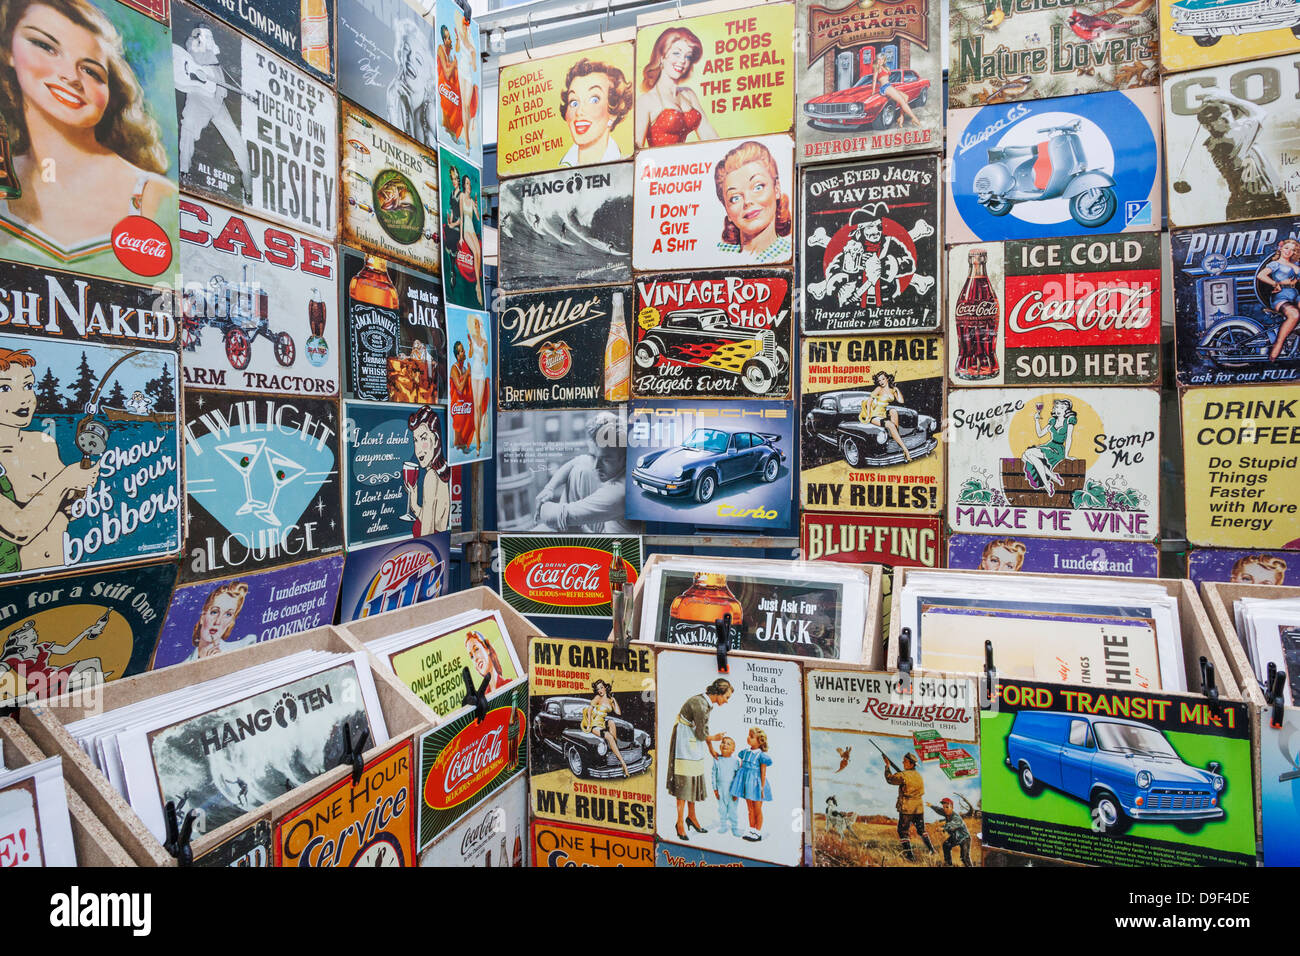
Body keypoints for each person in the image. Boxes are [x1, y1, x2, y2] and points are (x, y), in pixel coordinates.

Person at [0, 0, 176, 280]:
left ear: (111, 93)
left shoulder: (155, 196)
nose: (71, 77)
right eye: (45, 46)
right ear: (8, 49)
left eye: (92, 71)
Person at [0, 347, 99, 574]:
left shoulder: (42, 443)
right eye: (5, 387)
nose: (23, 398)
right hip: (17, 588)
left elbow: (70, 501)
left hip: (61, 571)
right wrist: (66, 480)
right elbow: (20, 528)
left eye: (28, 386)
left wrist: (75, 496)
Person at [177, 22, 251, 202]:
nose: (209, 39)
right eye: (206, 36)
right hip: (199, 98)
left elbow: (215, 69)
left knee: (238, 143)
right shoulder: (195, 43)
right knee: (188, 129)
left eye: (210, 36)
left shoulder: (213, 53)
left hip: (218, 102)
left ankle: (247, 189)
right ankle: (184, 171)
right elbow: (188, 55)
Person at [531, 410, 635, 533]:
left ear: (626, 459)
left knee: (557, 522)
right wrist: (549, 488)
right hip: (605, 528)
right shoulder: (622, 465)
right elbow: (577, 461)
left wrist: (543, 506)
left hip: (609, 548)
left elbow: (552, 517)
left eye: (606, 460)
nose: (597, 466)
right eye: (595, 456)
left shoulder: (619, 493)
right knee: (582, 467)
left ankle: (563, 532)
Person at [1195, 89, 1290, 222]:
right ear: (1210, 125)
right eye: (1222, 117)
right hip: (1263, 202)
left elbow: (1239, 116)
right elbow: (1259, 112)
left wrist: (1222, 101)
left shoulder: (1215, 141)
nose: (1227, 118)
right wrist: (1228, 99)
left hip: (1242, 203)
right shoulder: (1234, 136)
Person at [666, 677, 732, 842]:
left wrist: (711, 749)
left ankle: (692, 817)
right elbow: (702, 734)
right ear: (718, 693)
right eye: (727, 697)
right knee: (684, 782)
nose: (727, 701)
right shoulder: (701, 705)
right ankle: (680, 823)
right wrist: (715, 738)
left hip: (693, 742)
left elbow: (703, 729)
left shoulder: (706, 704)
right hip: (684, 741)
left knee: (693, 779)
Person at [635, 27, 717, 147]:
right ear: (662, 57)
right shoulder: (646, 101)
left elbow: (709, 136)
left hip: (688, 164)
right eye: (676, 53)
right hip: (660, 164)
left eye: (688, 56)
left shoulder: (688, 94)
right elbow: (637, 150)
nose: (682, 60)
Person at [713, 140, 791, 263]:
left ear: (776, 189)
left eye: (758, 187)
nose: (747, 201)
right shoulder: (715, 254)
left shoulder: (788, 253)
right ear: (726, 209)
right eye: (735, 198)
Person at [558, 58, 632, 167]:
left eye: (594, 100)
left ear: (613, 112)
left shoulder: (626, 166)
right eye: (574, 102)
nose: (579, 112)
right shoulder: (555, 171)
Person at [387, 17, 436, 145]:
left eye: (419, 60)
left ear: (428, 75)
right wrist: (391, 100)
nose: (410, 60)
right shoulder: (398, 99)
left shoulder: (430, 112)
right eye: (406, 50)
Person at [405, 404, 450, 535]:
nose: (418, 449)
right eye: (415, 440)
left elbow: (427, 535)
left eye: (423, 438)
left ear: (436, 440)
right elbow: (434, 522)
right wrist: (414, 506)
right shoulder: (440, 472)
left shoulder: (430, 477)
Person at [883, 751, 933, 862]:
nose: (902, 762)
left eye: (905, 761)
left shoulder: (903, 775)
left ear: (911, 764)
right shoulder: (919, 776)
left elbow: (890, 779)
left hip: (907, 809)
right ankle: (932, 850)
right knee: (921, 830)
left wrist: (887, 766)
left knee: (903, 832)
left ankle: (910, 857)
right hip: (919, 808)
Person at [1022, 398, 1076, 496]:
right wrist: (1037, 420)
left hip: (1058, 450)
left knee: (1027, 454)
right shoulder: (1052, 421)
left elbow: (1069, 438)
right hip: (1049, 445)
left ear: (1067, 410)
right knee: (1025, 456)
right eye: (1057, 407)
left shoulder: (1069, 421)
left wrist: (1067, 455)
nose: (1058, 409)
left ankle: (1049, 482)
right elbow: (1040, 434)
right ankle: (1052, 478)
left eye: (1062, 407)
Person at [1259, 237, 1300, 361]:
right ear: (1281, 248)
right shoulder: (1275, 264)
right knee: (1294, 314)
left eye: (1292, 250)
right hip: (1280, 296)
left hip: (1295, 294)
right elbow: (1261, 275)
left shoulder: (1296, 264)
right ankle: (1278, 344)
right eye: (1286, 248)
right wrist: (1275, 284)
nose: (1288, 251)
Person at [730, 727, 773, 842]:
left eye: (751, 737)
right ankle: (751, 829)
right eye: (748, 735)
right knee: (750, 809)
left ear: (759, 741)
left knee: (757, 808)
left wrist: (762, 788)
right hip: (746, 784)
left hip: (756, 785)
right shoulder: (745, 753)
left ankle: (757, 832)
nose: (748, 738)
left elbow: (763, 773)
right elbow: (741, 768)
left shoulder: (761, 756)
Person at [188, 582, 249, 661]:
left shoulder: (242, 648)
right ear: (202, 617)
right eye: (214, 612)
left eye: (228, 614)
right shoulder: (183, 665)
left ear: (230, 622)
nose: (218, 621)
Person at [860, 370, 912, 462]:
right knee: (891, 425)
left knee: (893, 411)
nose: (881, 382)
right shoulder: (878, 389)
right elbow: (869, 402)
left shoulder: (892, 390)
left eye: (883, 379)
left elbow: (901, 401)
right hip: (874, 416)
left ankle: (895, 440)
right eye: (879, 380)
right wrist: (868, 415)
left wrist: (897, 389)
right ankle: (905, 450)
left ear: (887, 379)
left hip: (883, 415)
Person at [585, 679, 628, 777]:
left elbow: (618, 712)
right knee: (609, 736)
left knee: (612, 722)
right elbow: (589, 710)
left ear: (605, 688)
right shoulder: (597, 698)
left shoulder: (610, 700)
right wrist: (589, 724)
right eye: (598, 689)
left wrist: (614, 699)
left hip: (603, 724)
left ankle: (614, 752)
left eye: (601, 688)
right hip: (595, 725)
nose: (600, 690)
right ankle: (623, 763)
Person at [872, 58, 919, 128]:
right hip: (884, 87)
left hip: (889, 86)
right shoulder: (877, 68)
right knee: (902, 101)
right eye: (878, 60)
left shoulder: (885, 68)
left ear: (884, 61)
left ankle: (901, 117)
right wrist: (873, 91)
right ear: (876, 61)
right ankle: (914, 118)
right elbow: (874, 80)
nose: (880, 61)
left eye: (882, 60)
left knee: (906, 97)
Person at [454, 13, 477, 152]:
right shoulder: (461, 38)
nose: (463, 27)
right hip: (461, 70)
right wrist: (457, 39)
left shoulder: (471, 41)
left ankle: (468, 138)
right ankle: (467, 141)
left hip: (468, 73)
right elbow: (457, 50)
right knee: (464, 105)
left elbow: (474, 67)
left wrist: (473, 55)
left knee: (467, 105)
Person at [467, 313, 489, 456]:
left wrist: (485, 349)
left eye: (477, 324)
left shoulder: (484, 342)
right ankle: (478, 443)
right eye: (474, 324)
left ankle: (479, 439)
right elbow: (469, 356)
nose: (475, 327)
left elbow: (486, 361)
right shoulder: (473, 339)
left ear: (480, 325)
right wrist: (470, 345)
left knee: (480, 407)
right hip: (473, 374)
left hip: (481, 374)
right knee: (475, 407)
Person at [711, 736, 742, 838]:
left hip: (732, 790)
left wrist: (737, 792)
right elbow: (713, 774)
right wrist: (715, 788)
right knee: (722, 809)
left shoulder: (735, 761)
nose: (725, 744)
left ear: (733, 750)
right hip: (720, 789)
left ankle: (734, 827)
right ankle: (723, 825)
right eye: (723, 742)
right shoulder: (717, 760)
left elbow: (738, 777)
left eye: (729, 744)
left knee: (732, 810)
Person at [929, 797, 972, 867]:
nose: (945, 809)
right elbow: (939, 810)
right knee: (946, 845)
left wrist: (943, 827)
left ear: (951, 807)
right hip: (955, 837)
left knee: (964, 857)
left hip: (964, 838)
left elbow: (952, 825)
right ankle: (948, 864)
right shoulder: (946, 812)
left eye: (947, 807)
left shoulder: (956, 817)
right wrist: (931, 806)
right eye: (944, 807)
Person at [436, 24, 461, 144]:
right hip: (444, 86)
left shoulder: (449, 52)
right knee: (447, 117)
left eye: (449, 37)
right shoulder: (441, 49)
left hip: (451, 89)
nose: (449, 40)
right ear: (444, 40)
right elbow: (446, 73)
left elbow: (457, 49)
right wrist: (454, 65)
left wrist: (457, 39)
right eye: (447, 38)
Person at [448, 340, 474, 452]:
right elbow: (459, 388)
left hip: (464, 404)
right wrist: (467, 374)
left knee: (466, 426)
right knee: (458, 430)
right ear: (458, 355)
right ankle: (457, 450)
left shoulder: (463, 368)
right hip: (457, 404)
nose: (464, 352)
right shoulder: (454, 369)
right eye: (462, 351)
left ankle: (463, 447)